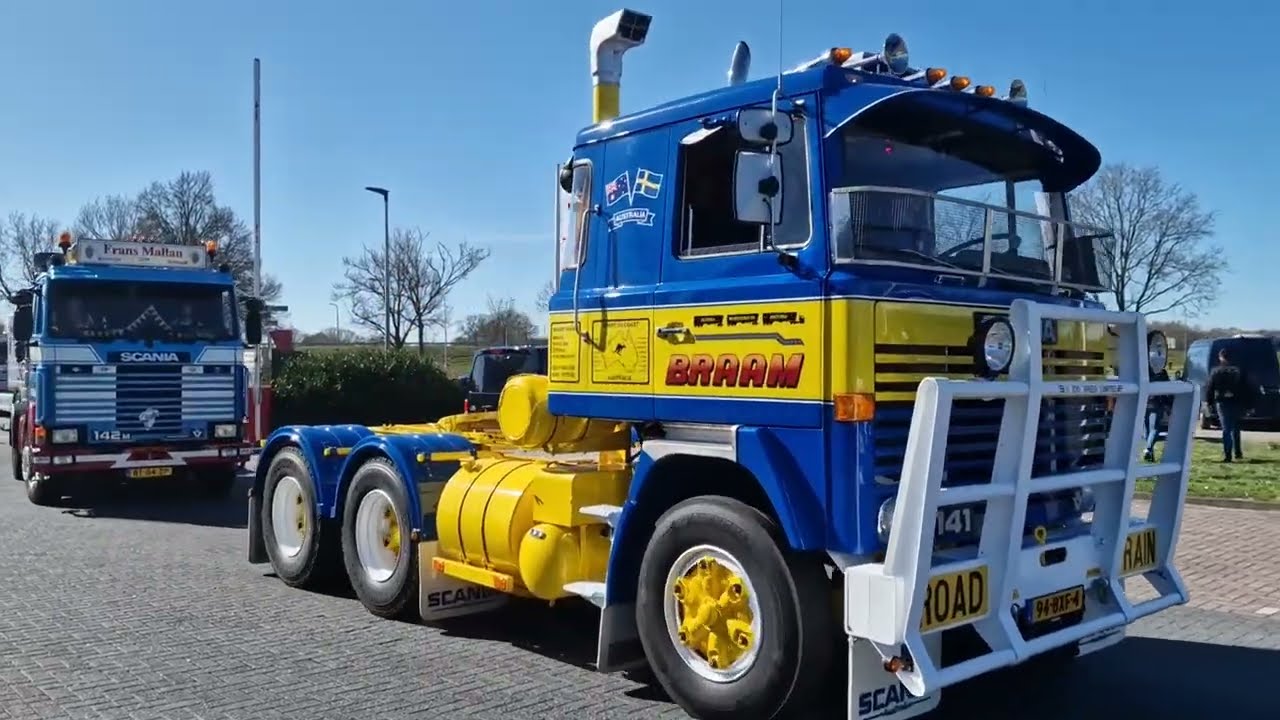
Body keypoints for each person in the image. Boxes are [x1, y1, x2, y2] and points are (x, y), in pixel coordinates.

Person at [1205, 347, 1248, 462]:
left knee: (1226, 428)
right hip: (1237, 401)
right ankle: (1238, 452)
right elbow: (1245, 387)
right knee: (1236, 427)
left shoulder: (1215, 371)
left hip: (1222, 401)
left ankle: (1228, 454)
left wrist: (1209, 403)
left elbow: (1210, 388)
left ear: (1220, 357)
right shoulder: (1238, 371)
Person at [1142, 365, 1171, 462]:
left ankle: (1150, 454)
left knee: (1146, 430)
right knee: (1154, 428)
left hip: (1145, 403)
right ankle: (1149, 449)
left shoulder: (1143, 372)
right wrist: (1168, 404)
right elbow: (1168, 390)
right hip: (1157, 403)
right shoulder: (1162, 374)